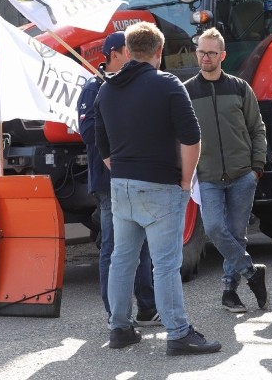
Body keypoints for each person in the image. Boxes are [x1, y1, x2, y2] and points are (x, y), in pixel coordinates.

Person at [95, 21, 221, 356]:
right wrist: (185, 179)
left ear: (128, 51)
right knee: (165, 263)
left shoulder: (105, 90)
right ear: (159, 52)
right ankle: (178, 333)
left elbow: (102, 147)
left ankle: (119, 328)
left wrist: (123, 173)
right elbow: (192, 138)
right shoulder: (168, 84)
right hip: (162, 185)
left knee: (122, 259)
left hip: (121, 186)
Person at [77, 31, 160, 327]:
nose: (135, 58)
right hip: (108, 181)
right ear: (115, 55)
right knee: (113, 247)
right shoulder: (94, 88)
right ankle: (115, 313)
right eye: (130, 52)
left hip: (136, 178)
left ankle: (148, 308)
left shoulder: (136, 86)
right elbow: (87, 134)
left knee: (144, 246)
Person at [183, 27, 268, 313]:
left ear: (222, 55)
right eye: (201, 52)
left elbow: (257, 129)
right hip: (207, 176)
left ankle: (229, 291)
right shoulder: (187, 92)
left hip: (243, 174)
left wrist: (257, 167)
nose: (204, 57)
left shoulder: (240, 88)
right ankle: (253, 273)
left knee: (237, 233)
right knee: (217, 229)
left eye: (210, 53)